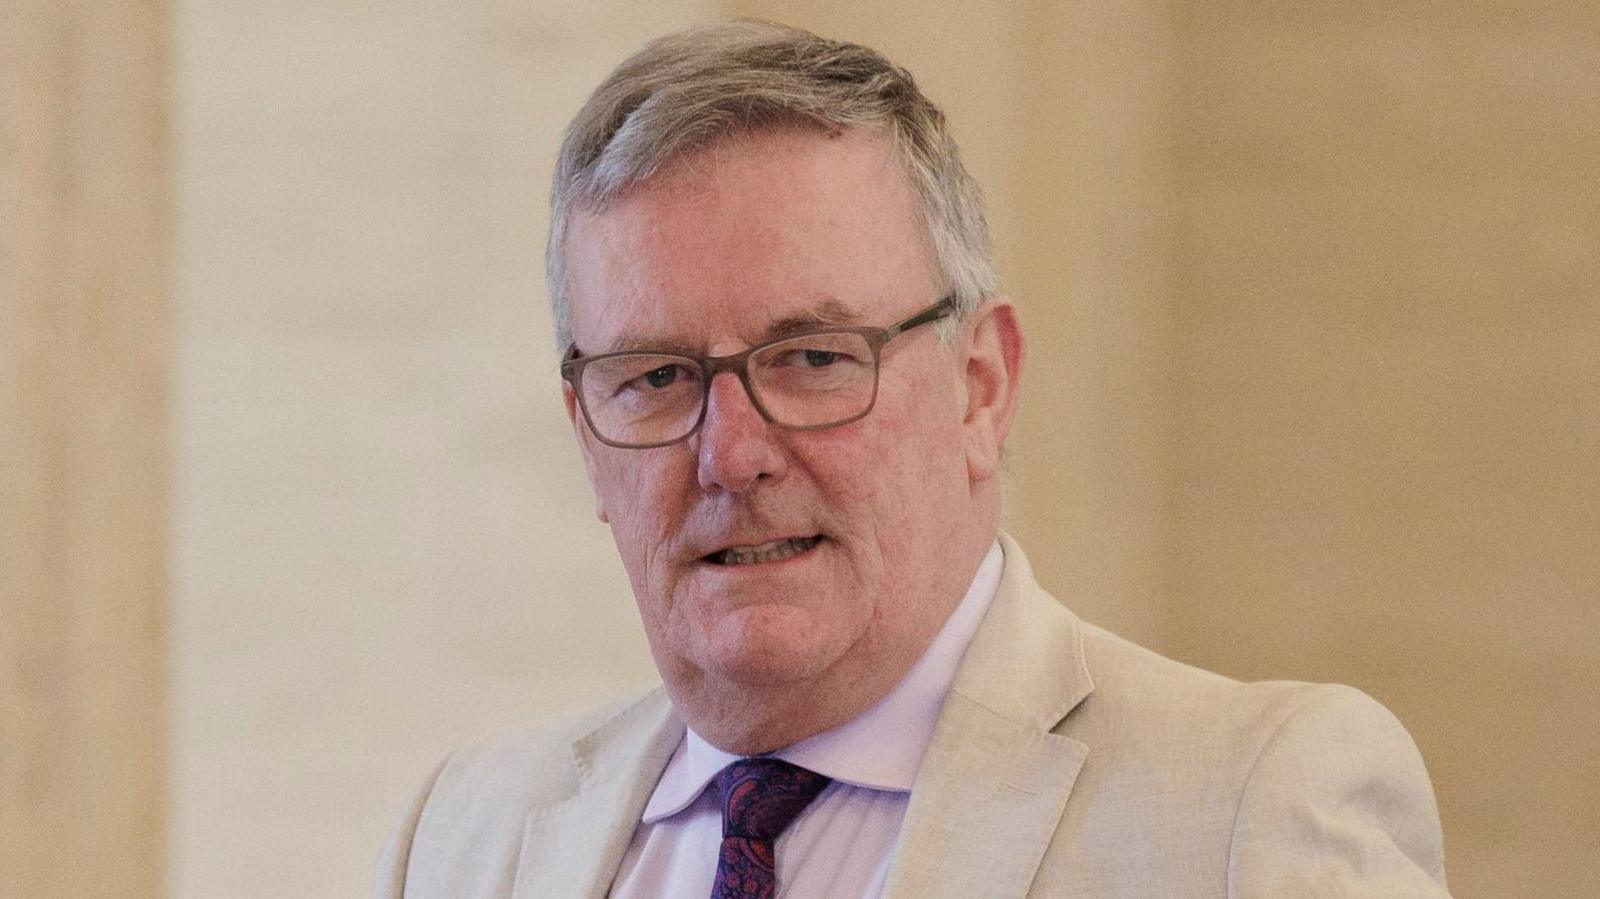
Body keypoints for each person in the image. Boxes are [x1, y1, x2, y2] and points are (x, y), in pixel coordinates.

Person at [376, 20, 1449, 898]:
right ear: (583, 432)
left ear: (979, 384)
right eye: (656, 377)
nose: (732, 453)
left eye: (810, 357)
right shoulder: (471, 833)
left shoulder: (1245, 807)